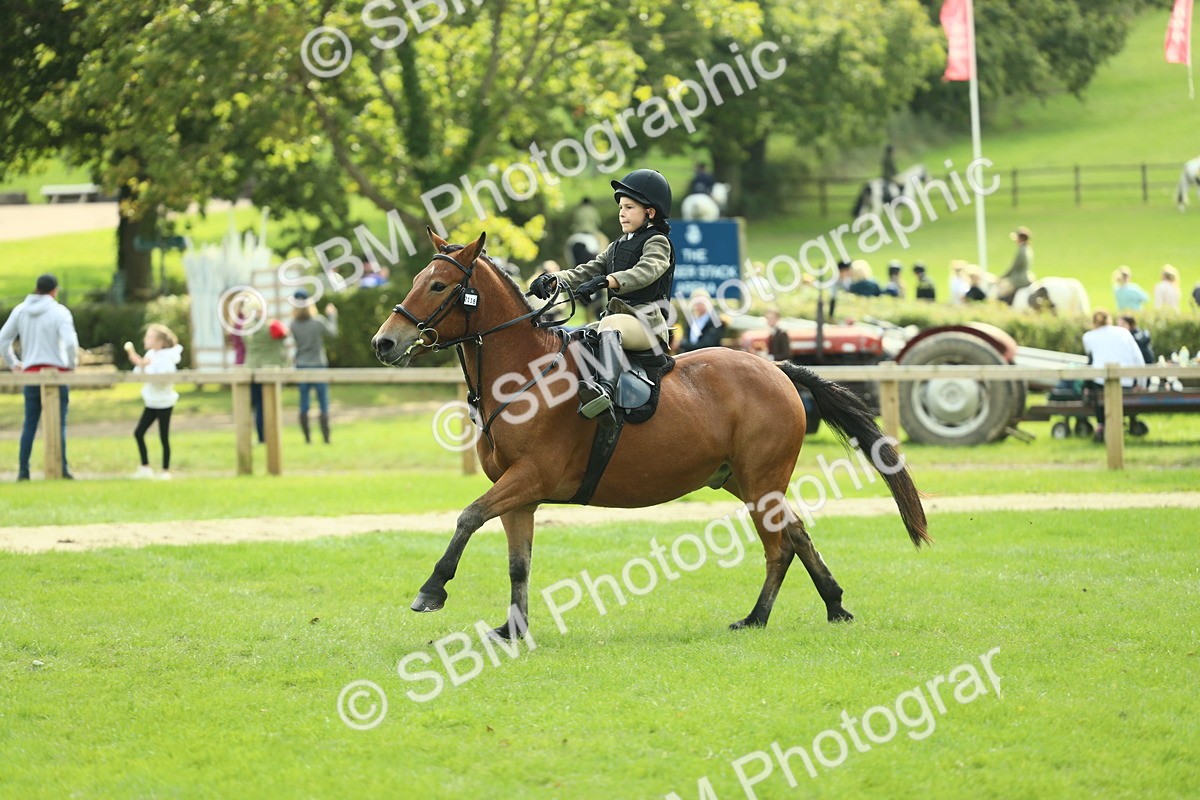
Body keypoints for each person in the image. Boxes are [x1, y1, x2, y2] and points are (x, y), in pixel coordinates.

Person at [528, 168, 675, 418]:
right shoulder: (616, 246)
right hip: (616, 323)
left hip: (647, 325)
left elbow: (646, 271)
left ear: (649, 212)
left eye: (629, 207)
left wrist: (607, 281)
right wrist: (554, 279)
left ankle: (604, 393)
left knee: (609, 324)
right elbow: (585, 271)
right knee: (575, 337)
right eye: (620, 208)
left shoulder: (657, 242)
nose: (622, 213)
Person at [0, 274, 79, 480]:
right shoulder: (59, 312)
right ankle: (61, 468)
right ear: (55, 290)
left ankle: (23, 470)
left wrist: (14, 364)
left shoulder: (21, 310)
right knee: (58, 422)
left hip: (31, 373)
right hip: (56, 373)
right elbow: (71, 343)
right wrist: (71, 365)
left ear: (37, 288)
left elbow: (3, 339)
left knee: (30, 422)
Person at [125, 324, 183, 479]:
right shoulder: (150, 354)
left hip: (164, 402)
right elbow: (139, 373)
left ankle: (165, 471)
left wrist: (146, 367)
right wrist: (141, 365)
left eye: (150, 336)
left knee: (163, 436)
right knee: (139, 433)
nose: (146, 339)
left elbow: (163, 379)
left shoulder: (167, 357)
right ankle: (145, 467)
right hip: (151, 401)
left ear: (160, 342)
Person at [1082, 309, 1146, 442]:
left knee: (1096, 389)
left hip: (1101, 382)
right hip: (1126, 380)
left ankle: (1101, 425)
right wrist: (1141, 383)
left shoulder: (1088, 336)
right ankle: (1129, 421)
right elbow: (1138, 359)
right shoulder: (1124, 332)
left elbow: (1090, 358)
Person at [291, 291, 338, 444]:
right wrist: (332, 315)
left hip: (302, 365)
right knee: (323, 402)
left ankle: (307, 438)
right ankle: (326, 438)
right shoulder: (318, 321)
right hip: (318, 365)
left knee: (304, 403)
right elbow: (333, 333)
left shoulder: (293, 324)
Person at [244, 315, 289, 443]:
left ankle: (261, 437)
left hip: (254, 371)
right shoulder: (272, 327)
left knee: (259, 407)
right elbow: (284, 335)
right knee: (272, 406)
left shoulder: (247, 329)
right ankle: (273, 436)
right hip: (271, 371)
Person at [998, 227, 1034, 305]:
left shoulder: (1021, 250)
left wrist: (1002, 277)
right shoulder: (1028, 248)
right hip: (1026, 275)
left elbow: (1014, 267)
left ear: (1020, 239)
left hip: (1019, 279)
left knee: (1001, 293)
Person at [528, 260, 568, 326]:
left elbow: (561, 305)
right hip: (541, 317)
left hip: (552, 317)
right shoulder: (536, 282)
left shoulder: (555, 283)